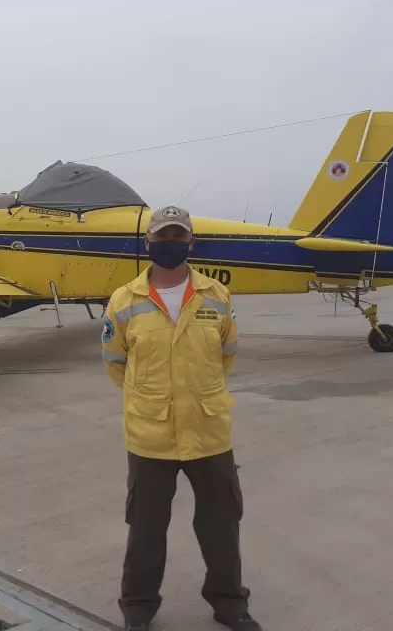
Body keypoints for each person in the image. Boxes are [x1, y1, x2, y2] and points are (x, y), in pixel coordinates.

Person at [100, 205, 261, 631]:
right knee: (146, 528)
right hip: (150, 436)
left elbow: (226, 355)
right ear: (148, 242)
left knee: (221, 525)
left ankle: (229, 602)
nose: (169, 243)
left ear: (190, 242)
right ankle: (137, 606)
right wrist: (154, 401)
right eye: (161, 236)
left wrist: (196, 396)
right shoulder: (124, 300)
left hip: (208, 432)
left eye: (177, 236)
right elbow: (116, 363)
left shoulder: (217, 297)